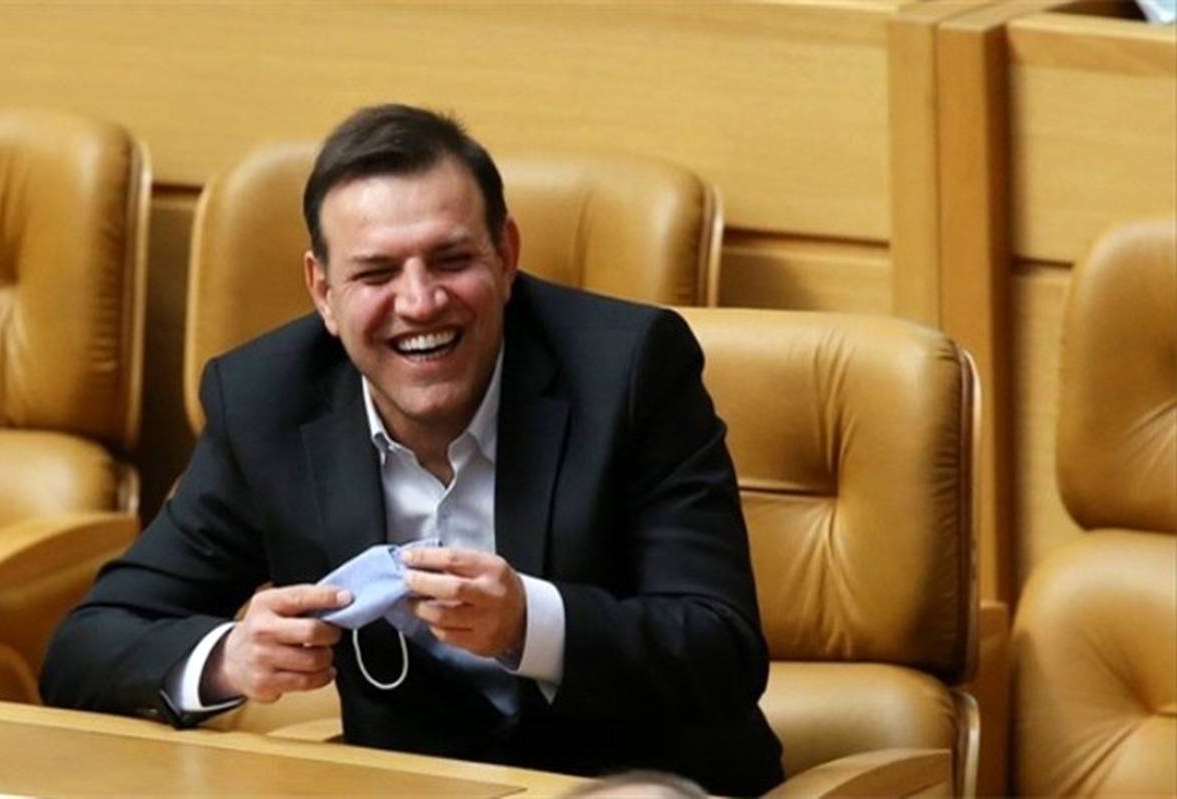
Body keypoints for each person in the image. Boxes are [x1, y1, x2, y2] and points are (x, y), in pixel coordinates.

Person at [40, 104, 784, 796]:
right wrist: (228, 658)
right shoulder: (267, 402)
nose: (421, 301)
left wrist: (530, 623)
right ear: (323, 292)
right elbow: (87, 644)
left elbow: (720, 648)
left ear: (506, 256)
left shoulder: (631, 371)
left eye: (451, 259)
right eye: (375, 272)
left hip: (640, 783)